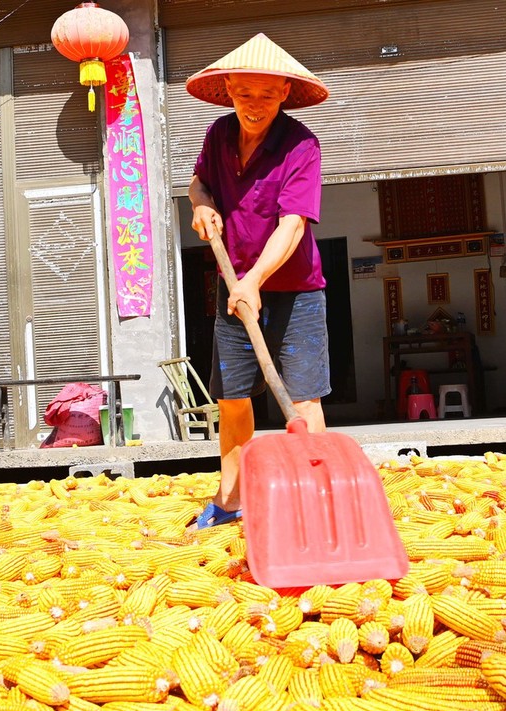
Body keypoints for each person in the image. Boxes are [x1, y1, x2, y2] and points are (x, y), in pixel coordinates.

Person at [185, 33, 331, 529]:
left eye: (267, 94)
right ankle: (231, 500)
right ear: (228, 88)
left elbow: (293, 224)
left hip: (296, 293)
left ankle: (316, 502)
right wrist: (202, 205)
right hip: (235, 288)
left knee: (304, 399)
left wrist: (255, 281)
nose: (254, 104)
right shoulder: (219, 134)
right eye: (244, 93)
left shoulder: (301, 146)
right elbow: (199, 182)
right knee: (232, 398)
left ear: (285, 93)